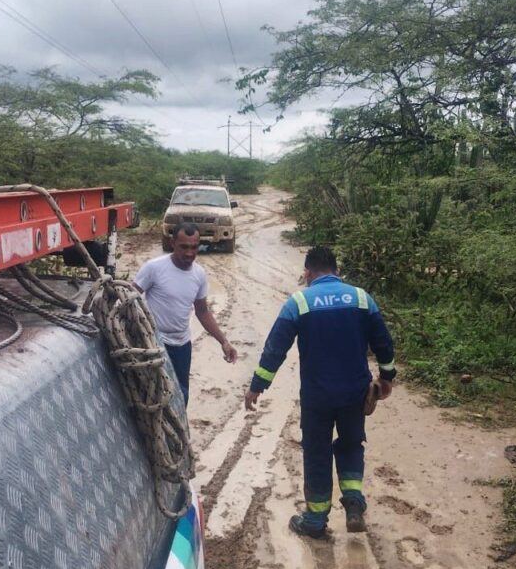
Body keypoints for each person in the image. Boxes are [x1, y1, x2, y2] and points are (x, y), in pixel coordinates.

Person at [244, 246, 395, 539]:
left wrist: (257, 386)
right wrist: (387, 377)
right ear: (337, 271)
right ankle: (353, 504)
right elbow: (384, 345)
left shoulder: (298, 302)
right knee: (351, 445)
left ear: (308, 273)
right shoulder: (362, 298)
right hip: (355, 393)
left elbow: (275, 350)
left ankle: (315, 521)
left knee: (317, 453)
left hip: (318, 397)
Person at [134, 222, 237, 404]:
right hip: (155, 342)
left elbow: (203, 311)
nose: (189, 253)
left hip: (182, 345)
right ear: (172, 243)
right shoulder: (153, 268)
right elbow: (129, 298)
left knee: (182, 396)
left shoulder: (199, 275)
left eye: (194, 247)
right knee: (155, 395)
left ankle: (178, 432)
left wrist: (224, 342)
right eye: (184, 247)